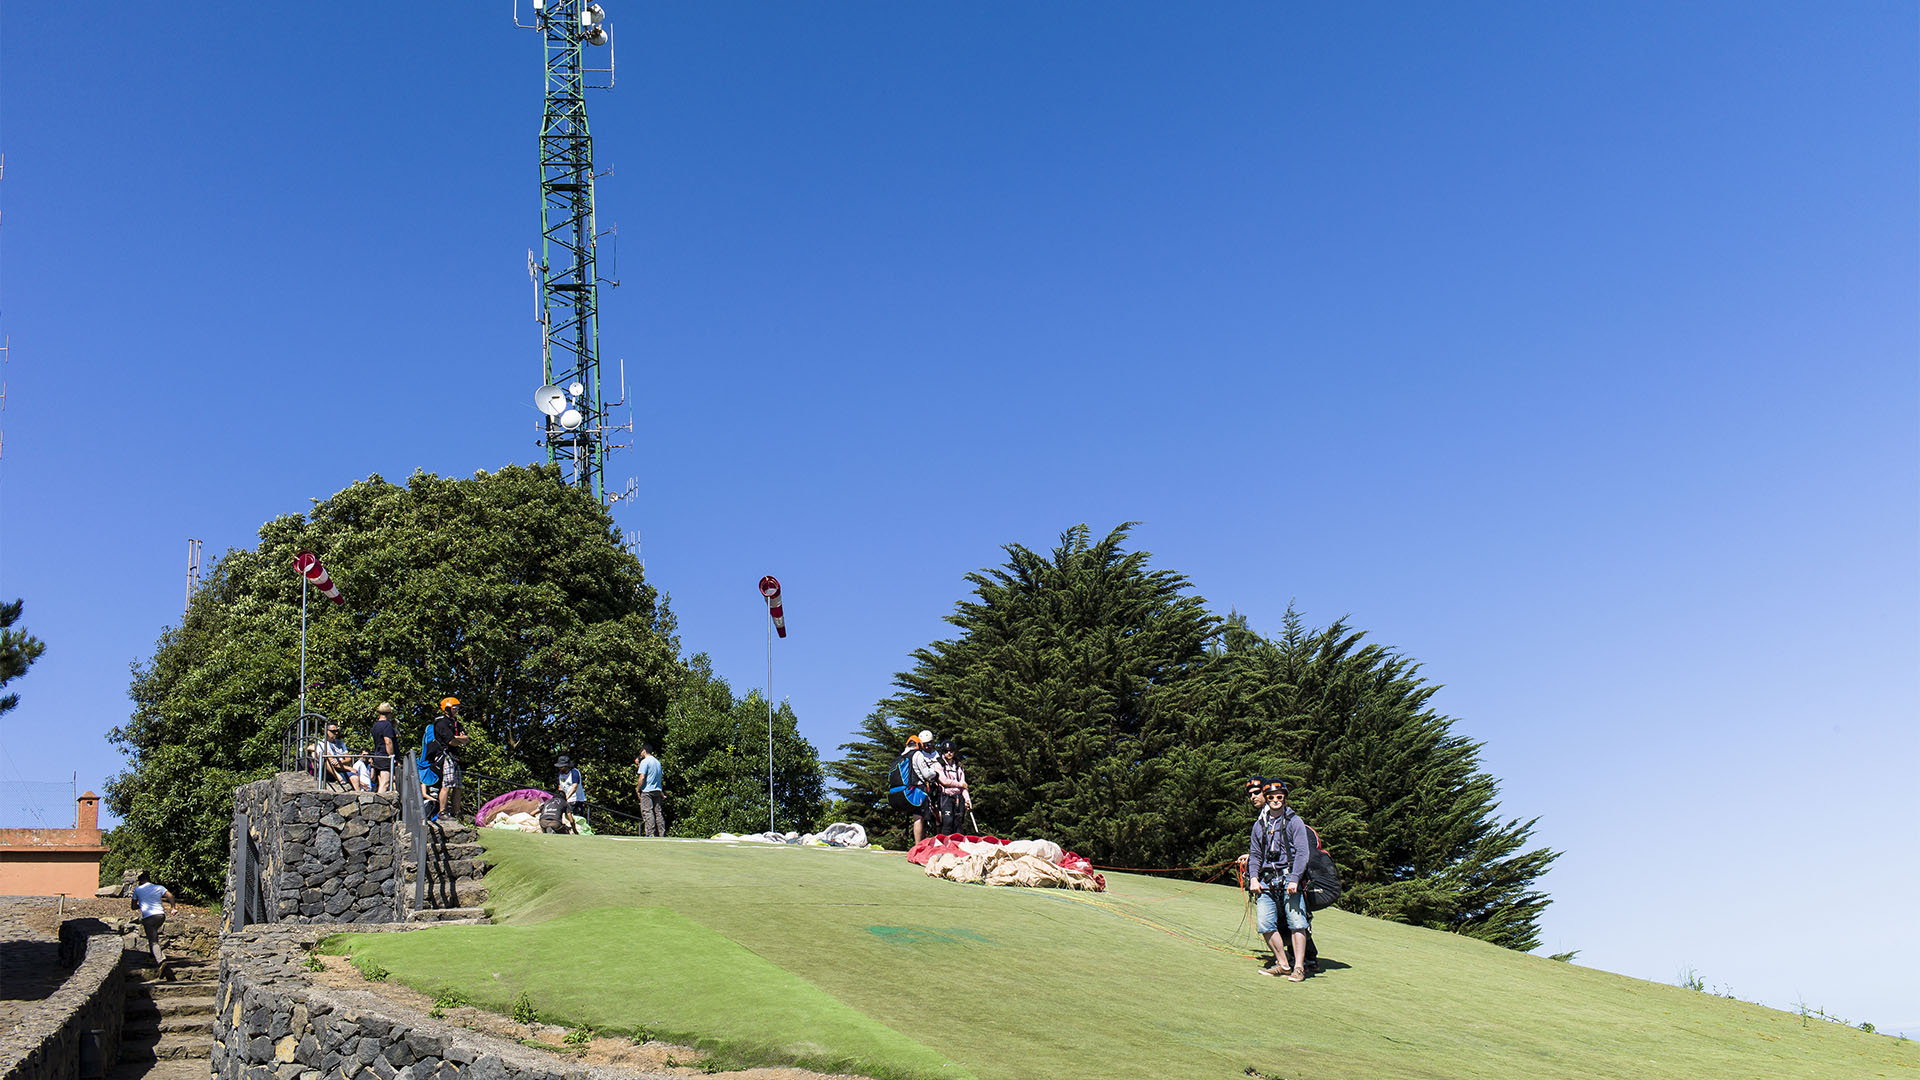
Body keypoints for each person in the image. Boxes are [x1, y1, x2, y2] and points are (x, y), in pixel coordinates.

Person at [1248, 779, 1313, 981]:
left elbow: (1302, 852)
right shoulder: (1259, 825)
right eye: (1271, 797)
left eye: (1279, 797)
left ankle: (1299, 967)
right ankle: (1283, 963)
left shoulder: (1295, 821)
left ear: (1284, 798)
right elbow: (1255, 854)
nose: (1275, 800)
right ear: (1266, 799)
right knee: (1266, 924)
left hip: (1289, 879)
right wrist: (1253, 878)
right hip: (1267, 881)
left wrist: (1295, 879)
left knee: (1297, 922)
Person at [422, 697, 470, 821]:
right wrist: (459, 739)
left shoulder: (456, 723)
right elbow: (451, 741)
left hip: (455, 757)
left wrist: (458, 738)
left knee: (458, 786)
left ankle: (456, 812)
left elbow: (466, 738)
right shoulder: (441, 723)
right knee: (447, 784)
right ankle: (442, 812)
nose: (457, 710)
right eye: (455, 708)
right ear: (448, 708)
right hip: (445, 756)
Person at [129, 871, 174, 974]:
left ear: (141, 881)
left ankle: (161, 961)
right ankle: (152, 955)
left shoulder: (138, 890)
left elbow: (133, 906)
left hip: (148, 917)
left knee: (153, 941)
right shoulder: (159, 887)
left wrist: (142, 904)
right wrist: (173, 908)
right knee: (153, 934)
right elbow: (170, 896)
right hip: (160, 916)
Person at [906, 731, 940, 845]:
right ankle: (922, 843)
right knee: (922, 817)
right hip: (924, 787)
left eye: (929, 744)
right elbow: (925, 773)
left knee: (938, 814)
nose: (926, 747)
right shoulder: (919, 755)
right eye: (924, 745)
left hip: (937, 787)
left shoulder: (937, 755)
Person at [932, 741, 972, 835]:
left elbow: (964, 785)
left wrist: (967, 799)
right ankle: (945, 845)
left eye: (951, 751)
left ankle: (957, 846)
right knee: (947, 822)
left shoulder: (958, 766)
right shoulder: (939, 765)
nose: (949, 753)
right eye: (946, 751)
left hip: (958, 797)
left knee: (958, 824)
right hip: (946, 796)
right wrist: (960, 785)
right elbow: (944, 781)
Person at [313, 723, 359, 790]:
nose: (336, 733)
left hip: (342, 768)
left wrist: (340, 761)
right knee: (327, 760)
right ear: (326, 731)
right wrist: (349, 768)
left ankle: (359, 797)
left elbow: (349, 758)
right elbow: (331, 762)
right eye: (333, 731)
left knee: (355, 778)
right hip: (331, 771)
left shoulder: (340, 743)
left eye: (337, 730)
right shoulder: (323, 744)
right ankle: (338, 777)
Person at [369, 702, 400, 793]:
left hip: (377, 755)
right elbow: (388, 742)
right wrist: (391, 756)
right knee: (385, 782)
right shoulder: (387, 725)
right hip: (385, 756)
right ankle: (378, 804)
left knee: (381, 781)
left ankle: (378, 802)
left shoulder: (375, 726)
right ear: (389, 713)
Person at [635, 744, 665, 837]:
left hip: (647, 791)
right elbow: (659, 778)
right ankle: (661, 833)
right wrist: (662, 793)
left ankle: (650, 833)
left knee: (648, 811)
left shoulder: (645, 762)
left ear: (644, 751)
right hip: (657, 790)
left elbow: (642, 777)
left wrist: (637, 789)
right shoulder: (657, 762)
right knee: (658, 812)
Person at [556, 756, 588, 826]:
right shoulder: (560, 774)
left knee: (577, 820)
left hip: (576, 800)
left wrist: (566, 797)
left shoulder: (574, 772)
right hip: (566, 801)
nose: (560, 768)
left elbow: (574, 787)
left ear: (567, 766)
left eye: (562, 767)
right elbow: (560, 786)